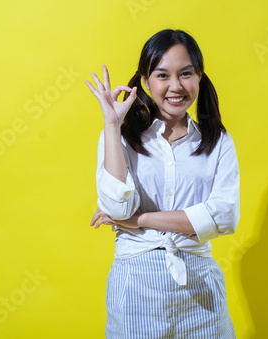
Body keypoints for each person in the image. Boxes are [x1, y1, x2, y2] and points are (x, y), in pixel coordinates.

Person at [85, 29, 240, 338]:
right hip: (136, 286)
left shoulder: (218, 141)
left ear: (199, 77)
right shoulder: (120, 138)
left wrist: (139, 219)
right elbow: (117, 206)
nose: (176, 86)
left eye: (186, 74)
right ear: (145, 80)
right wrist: (113, 124)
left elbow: (224, 216)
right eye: (162, 75)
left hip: (200, 287)